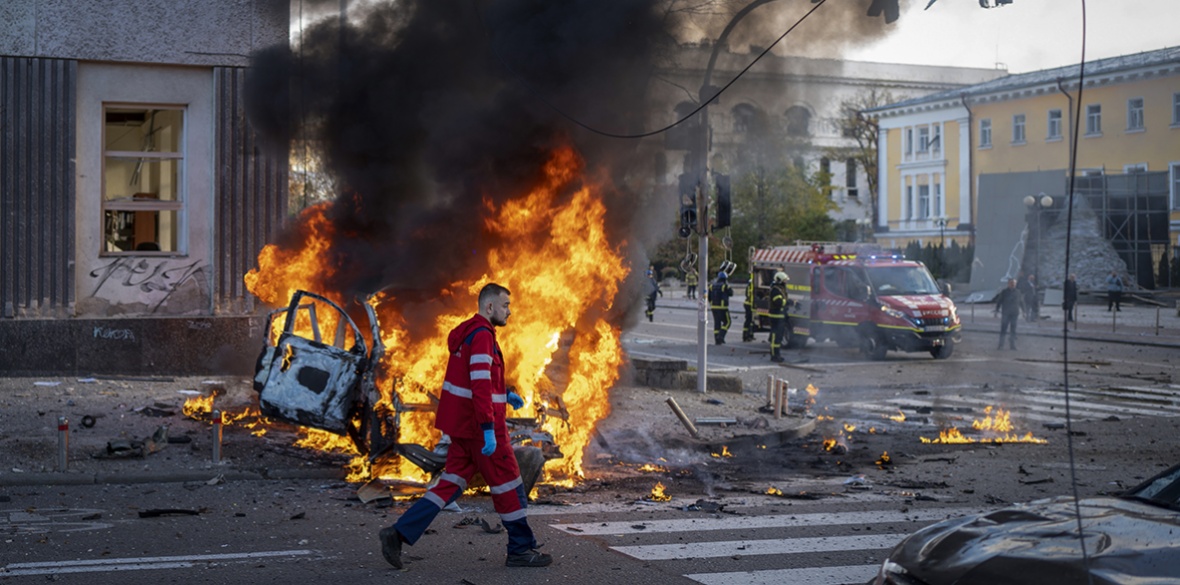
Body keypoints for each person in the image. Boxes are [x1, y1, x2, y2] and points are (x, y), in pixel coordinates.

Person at [379, 283, 552, 569]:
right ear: (489, 307)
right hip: (481, 430)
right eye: (506, 305)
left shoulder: (468, 333)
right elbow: (480, 384)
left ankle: (398, 534)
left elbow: (476, 380)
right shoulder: (483, 336)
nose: (510, 310)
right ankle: (521, 549)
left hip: (462, 429)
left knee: (449, 484)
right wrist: (487, 428)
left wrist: (504, 394)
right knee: (510, 485)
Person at [994, 278, 1023, 350]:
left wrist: (1024, 311)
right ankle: (1001, 345)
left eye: (1014, 283)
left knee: (1013, 330)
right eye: (1011, 283)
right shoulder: (1004, 292)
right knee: (1003, 329)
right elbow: (999, 301)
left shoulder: (1018, 292)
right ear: (1008, 284)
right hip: (1006, 313)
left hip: (1014, 313)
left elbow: (1021, 302)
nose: (1013, 284)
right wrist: (996, 311)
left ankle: (1012, 345)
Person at [768, 271, 789, 362]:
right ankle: (774, 355)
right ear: (779, 280)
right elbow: (779, 302)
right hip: (776, 317)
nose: (786, 282)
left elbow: (784, 300)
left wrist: (794, 303)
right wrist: (789, 303)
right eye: (784, 281)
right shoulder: (775, 290)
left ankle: (777, 354)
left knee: (779, 337)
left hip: (780, 316)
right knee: (775, 338)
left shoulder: (780, 289)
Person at [709, 271, 733, 345]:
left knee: (717, 323)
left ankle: (717, 340)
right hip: (723, 307)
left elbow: (709, 297)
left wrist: (711, 303)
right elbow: (731, 293)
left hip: (714, 307)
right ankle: (721, 336)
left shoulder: (711, 286)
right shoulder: (725, 286)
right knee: (727, 322)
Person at [741, 272, 756, 342]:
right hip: (749, 305)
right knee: (749, 321)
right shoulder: (751, 287)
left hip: (748, 304)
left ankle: (749, 335)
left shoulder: (749, 287)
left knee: (750, 321)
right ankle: (745, 336)